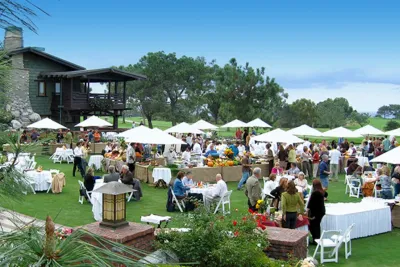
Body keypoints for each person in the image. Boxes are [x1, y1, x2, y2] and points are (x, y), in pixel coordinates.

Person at [307, 179, 326, 244]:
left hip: (315, 212)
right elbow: (326, 194)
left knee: (313, 225)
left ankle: (316, 239)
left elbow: (310, 203)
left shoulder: (315, 193)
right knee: (317, 225)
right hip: (321, 211)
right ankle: (316, 238)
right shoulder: (322, 191)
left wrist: (307, 210)